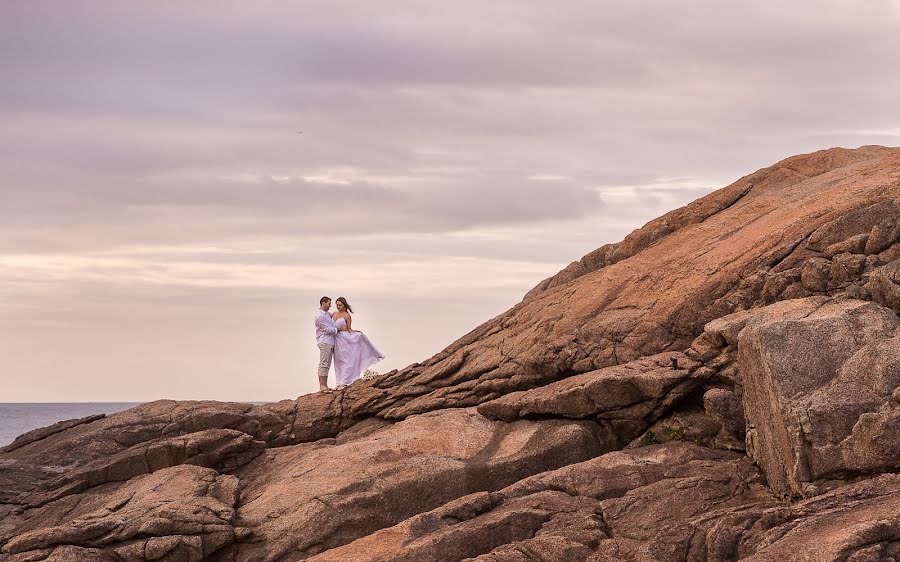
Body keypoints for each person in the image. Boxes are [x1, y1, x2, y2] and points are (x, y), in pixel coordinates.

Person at [331, 297, 384, 389]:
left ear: (344, 306)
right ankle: (338, 382)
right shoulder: (334, 314)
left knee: (348, 361)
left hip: (345, 339)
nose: (338, 306)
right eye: (337, 305)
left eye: (340, 305)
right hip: (336, 340)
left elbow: (349, 329)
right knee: (338, 361)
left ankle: (344, 382)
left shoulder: (347, 315)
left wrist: (357, 332)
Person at [314, 296, 338, 393]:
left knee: (327, 364)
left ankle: (325, 386)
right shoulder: (320, 316)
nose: (330, 305)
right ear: (323, 303)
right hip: (324, 342)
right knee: (323, 363)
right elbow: (327, 329)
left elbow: (335, 316)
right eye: (329, 303)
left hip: (330, 342)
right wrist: (338, 329)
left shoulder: (327, 314)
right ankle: (322, 386)